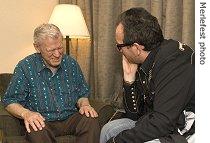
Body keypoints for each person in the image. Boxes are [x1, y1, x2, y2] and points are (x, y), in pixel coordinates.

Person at [100, 7, 195, 143]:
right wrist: (129, 79)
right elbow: (134, 115)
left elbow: (162, 123)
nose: (119, 51)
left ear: (137, 48)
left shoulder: (173, 62)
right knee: (110, 130)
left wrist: (117, 141)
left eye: (119, 46)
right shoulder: (148, 58)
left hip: (183, 131)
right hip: (159, 123)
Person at [2, 23, 100, 143]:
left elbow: (82, 93)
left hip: (70, 118)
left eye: (60, 48)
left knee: (91, 120)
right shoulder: (25, 67)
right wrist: (26, 114)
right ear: (37, 47)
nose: (58, 54)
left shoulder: (71, 63)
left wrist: (84, 104)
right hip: (43, 121)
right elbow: (10, 101)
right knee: (35, 126)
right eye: (51, 50)